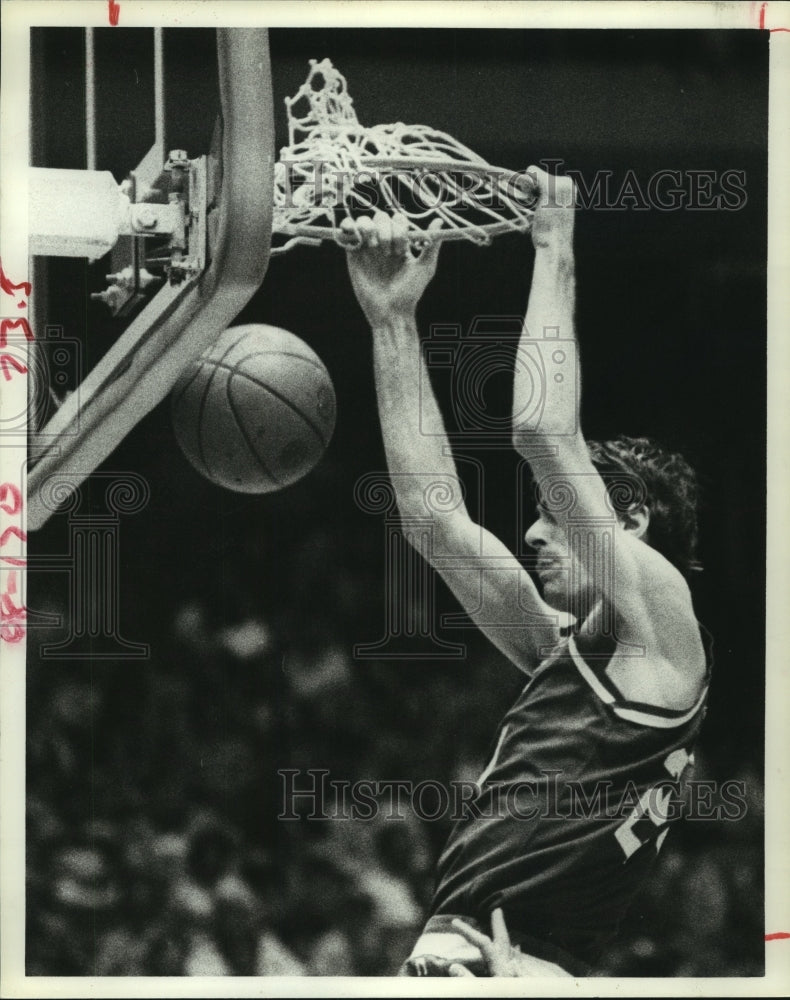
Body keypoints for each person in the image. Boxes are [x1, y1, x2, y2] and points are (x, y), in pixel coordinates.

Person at [340, 166, 711, 977]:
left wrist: (552, 248)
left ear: (632, 524)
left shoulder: (665, 630)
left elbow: (544, 432)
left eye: (557, 515)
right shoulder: (569, 658)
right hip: (481, 958)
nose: (537, 530)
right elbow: (434, 522)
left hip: (517, 965)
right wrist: (392, 320)